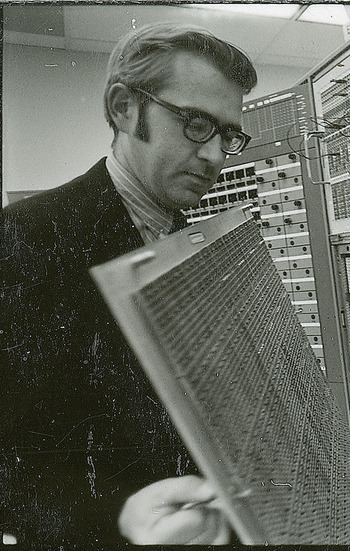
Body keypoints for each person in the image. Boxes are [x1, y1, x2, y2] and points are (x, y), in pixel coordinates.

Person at [0, 22, 257, 545]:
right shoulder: (24, 240)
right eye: (194, 123)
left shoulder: (186, 239)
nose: (214, 156)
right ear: (124, 107)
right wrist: (119, 518)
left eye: (227, 134)